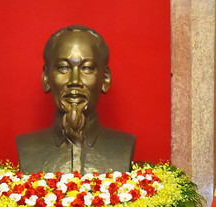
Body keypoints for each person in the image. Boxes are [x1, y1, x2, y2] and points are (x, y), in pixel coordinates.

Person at [16, 25, 136, 174]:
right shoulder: (27, 147)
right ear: (46, 78)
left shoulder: (124, 146)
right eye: (63, 68)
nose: (75, 81)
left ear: (105, 79)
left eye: (86, 68)